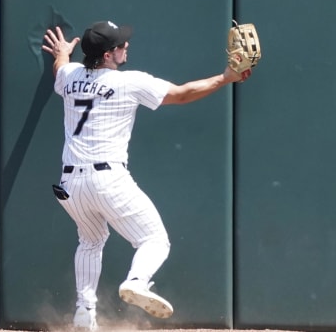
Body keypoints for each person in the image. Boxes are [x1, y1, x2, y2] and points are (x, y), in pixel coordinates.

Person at [41, 20, 246, 331]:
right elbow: (182, 94)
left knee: (91, 240)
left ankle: (84, 313)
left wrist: (61, 52)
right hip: (106, 179)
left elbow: (60, 68)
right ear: (108, 55)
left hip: (71, 184)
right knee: (154, 240)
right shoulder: (129, 82)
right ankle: (137, 281)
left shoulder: (69, 77)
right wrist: (225, 77)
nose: (127, 46)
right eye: (121, 44)